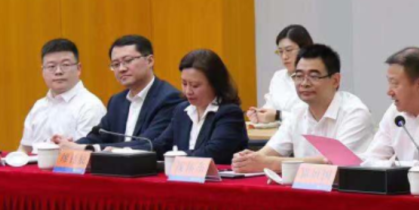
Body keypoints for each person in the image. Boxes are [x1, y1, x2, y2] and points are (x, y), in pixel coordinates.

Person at [232, 44, 373, 173]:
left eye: (314, 76)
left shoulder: (355, 113)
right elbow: (269, 152)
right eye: (299, 76)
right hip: (305, 188)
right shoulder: (298, 111)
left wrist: (270, 163)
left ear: (335, 80)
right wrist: (247, 159)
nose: (304, 83)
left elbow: (336, 162)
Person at [55, 35, 183, 151]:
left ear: (150, 61)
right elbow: (98, 136)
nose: (121, 69)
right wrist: (70, 145)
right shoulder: (117, 101)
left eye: (128, 61)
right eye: (115, 64)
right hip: (116, 167)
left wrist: (88, 148)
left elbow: (147, 143)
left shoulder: (169, 98)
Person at [154, 49, 248, 164]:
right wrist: (138, 152)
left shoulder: (229, 113)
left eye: (195, 85)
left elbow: (213, 153)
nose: (188, 91)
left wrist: (176, 156)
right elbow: (161, 145)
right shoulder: (181, 110)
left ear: (215, 84)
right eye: (184, 83)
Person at [20, 38, 106, 153]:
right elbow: (25, 149)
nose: (58, 71)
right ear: (42, 71)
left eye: (65, 65)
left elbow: (85, 153)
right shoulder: (38, 106)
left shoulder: (90, 106)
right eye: (51, 66)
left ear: (78, 69)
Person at [247, 24, 313, 125]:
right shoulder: (278, 77)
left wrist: (278, 115)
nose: (284, 56)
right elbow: (271, 106)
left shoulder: (317, 78)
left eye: (289, 50)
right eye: (280, 52)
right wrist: (260, 114)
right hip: (279, 133)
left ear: (304, 49)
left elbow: (311, 117)